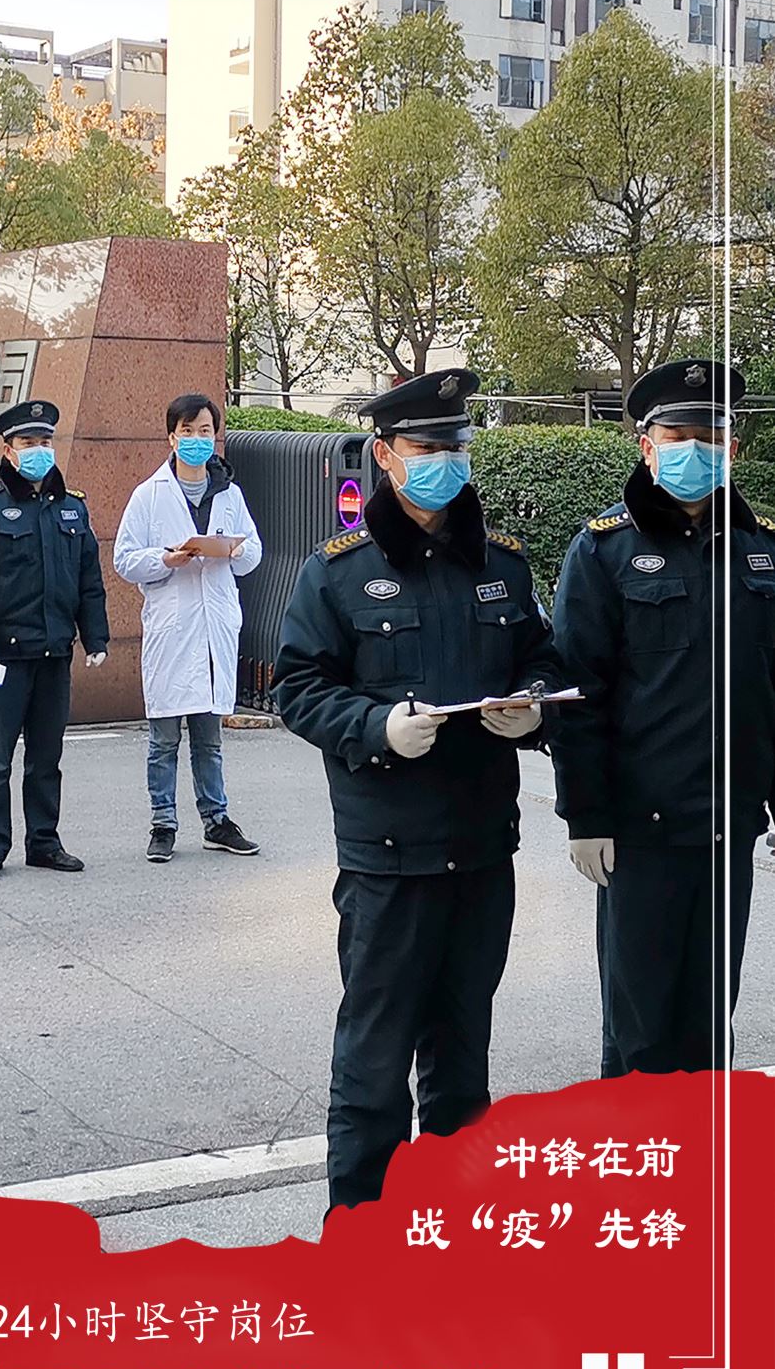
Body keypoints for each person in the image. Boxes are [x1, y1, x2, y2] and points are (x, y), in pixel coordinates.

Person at [273, 370, 559, 1213]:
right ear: (385, 454)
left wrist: (534, 707)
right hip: (389, 856)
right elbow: (298, 688)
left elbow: (543, 660)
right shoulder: (339, 574)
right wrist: (375, 727)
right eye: (426, 448)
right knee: (374, 1065)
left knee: (463, 1064)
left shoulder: (501, 566)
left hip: (482, 847)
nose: (443, 463)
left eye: (455, 448)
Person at [550, 358, 772, 1076]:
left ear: (733, 447)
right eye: (680, 436)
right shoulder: (603, 550)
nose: (697, 450)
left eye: (712, 436)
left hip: (729, 828)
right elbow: (578, 695)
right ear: (647, 446)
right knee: (639, 1033)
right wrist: (585, 815)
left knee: (710, 1029)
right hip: (639, 833)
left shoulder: (762, 550)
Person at [0, 399, 109, 881]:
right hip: (5, 656)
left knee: (46, 758)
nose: (38, 450)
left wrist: (95, 637)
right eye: (28, 442)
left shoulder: (72, 507)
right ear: (9, 450)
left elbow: (88, 579)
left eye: (44, 441)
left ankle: (44, 841)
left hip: (54, 652)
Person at [113, 393, 263, 862]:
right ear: (171, 438)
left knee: (209, 739)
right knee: (164, 739)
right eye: (188, 432)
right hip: (171, 629)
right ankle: (163, 823)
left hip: (214, 626)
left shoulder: (229, 494)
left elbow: (254, 552)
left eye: (205, 432)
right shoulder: (149, 494)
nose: (197, 440)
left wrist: (235, 550)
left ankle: (217, 820)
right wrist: (165, 558)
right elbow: (124, 559)